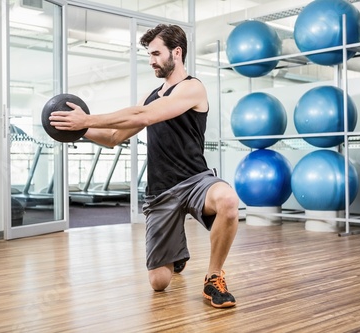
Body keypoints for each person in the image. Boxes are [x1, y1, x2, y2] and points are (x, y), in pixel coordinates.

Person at [49, 24, 239, 308]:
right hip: (161, 191)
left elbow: (144, 116)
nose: (151, 60)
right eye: (149, 55)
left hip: (196, 181)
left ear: (177, 52)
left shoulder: (192, 88)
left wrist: (87, 119)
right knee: (159, 283)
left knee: (227, 199)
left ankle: (213, 278)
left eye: (156, 53)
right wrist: (76, 131)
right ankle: (176, 255)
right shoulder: (150, 95)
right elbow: (114, 137)